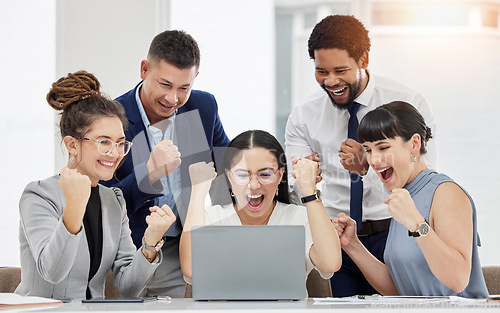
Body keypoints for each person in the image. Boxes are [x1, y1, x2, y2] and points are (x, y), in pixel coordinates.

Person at [285, 14, 438, 296]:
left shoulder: (408, 103)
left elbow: (425, 183)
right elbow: (298, 190)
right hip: (336, 238)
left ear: (364, 59)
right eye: (321, 71)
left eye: (340, 70)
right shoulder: (303, 116)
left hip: (394, 234)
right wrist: (306, 181)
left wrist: (369, 168)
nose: (331, 81)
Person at [15, 71, 176, 300]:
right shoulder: (39, 195)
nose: (115, 153)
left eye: (121, 143)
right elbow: (52, 272)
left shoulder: (113, 200)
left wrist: (151, 242)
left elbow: (127, 286)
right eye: (104, 142)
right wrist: (74, 208)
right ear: (72, 144)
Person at [101, 30, 230, 297]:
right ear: (144, 69)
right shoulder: (112, 118)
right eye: (165, 85)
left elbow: (230, 164)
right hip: (127, 253)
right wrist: (148, 173)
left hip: (182, 249)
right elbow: (101, 201)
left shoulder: (203, 106)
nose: (173, 98)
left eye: (184, 87)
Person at [333, 101, 488, 298]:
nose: (373, 160)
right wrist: (352, 245)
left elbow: (457, 279)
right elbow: (399, 288)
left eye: (383, 147)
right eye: (369, 150)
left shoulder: (445, 192)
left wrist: (416, 223)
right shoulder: (402, 194)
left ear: (414, 144)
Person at [179, 130, 342, 290]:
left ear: (280, 175)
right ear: (229, 176)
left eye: (265, 174)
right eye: (242, 175)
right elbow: (192, 270)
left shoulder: (301, 218)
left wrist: (309, 191)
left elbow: (330, 263)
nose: (254, 185)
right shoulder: (209, 217)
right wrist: (197, 193)